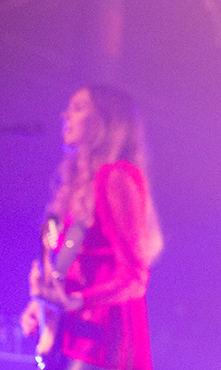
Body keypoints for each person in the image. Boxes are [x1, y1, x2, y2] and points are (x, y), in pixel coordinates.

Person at [20, 85, 163, 370]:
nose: (65, 116)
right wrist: (41, 305)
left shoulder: (116, 177)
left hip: (100, 339)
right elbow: (68, 265)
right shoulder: (73, 186)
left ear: (105, 121)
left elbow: (134, 276)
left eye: (78, 108)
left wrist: (74, 301)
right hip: (71, 334)